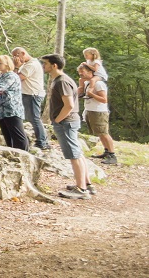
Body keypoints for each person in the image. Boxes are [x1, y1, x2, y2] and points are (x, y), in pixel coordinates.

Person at [43, 54, 92, 199]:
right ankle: (86, 184)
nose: (43, 66)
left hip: (66, 122)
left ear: (54, 65)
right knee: (77, 153)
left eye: (45, 63)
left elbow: (69, 105)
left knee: (74, 155)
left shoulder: (62, 81)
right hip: (68, 121)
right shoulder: (60, 80)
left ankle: (81, 189)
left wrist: (57, 120)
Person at [11, 47, 50, 151]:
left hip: (32, 94)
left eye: (16, 56)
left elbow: (17, 78)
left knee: (34, 118)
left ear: (23, 53)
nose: (15, 59)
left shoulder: (31, 65)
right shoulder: (27, 64)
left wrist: (16, 67)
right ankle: (42, 140)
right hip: (28, 94)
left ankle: (42, 142)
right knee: (31, 118)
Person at [79, 62, 117, 165]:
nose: (80, 74)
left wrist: (91, 94)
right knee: (99, 133)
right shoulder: (87, 83)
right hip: (90, 110)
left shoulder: (99, 84)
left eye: (82, 72)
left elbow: (104, 100)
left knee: (104, 133)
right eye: (79, 72)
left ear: (90, 72)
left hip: (99, 112)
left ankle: (112, 155)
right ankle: (106, 151)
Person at [0, 55, 28, 151]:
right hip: (1, 110)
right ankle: (12, 153)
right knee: (7, 136)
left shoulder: (11, 76)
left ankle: (23, 154)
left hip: (11, 109)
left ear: (7, 64)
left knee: (17, 135)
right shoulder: (2, 76)